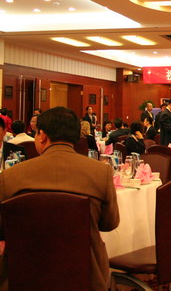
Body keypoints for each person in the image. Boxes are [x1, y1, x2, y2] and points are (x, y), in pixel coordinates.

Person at [0, 107, 119, 291]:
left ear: (42, 135)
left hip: (22, 274)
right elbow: (109, 223)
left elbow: (2, 229)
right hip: (87, 275)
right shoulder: (101, 172)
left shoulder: (10, 176)